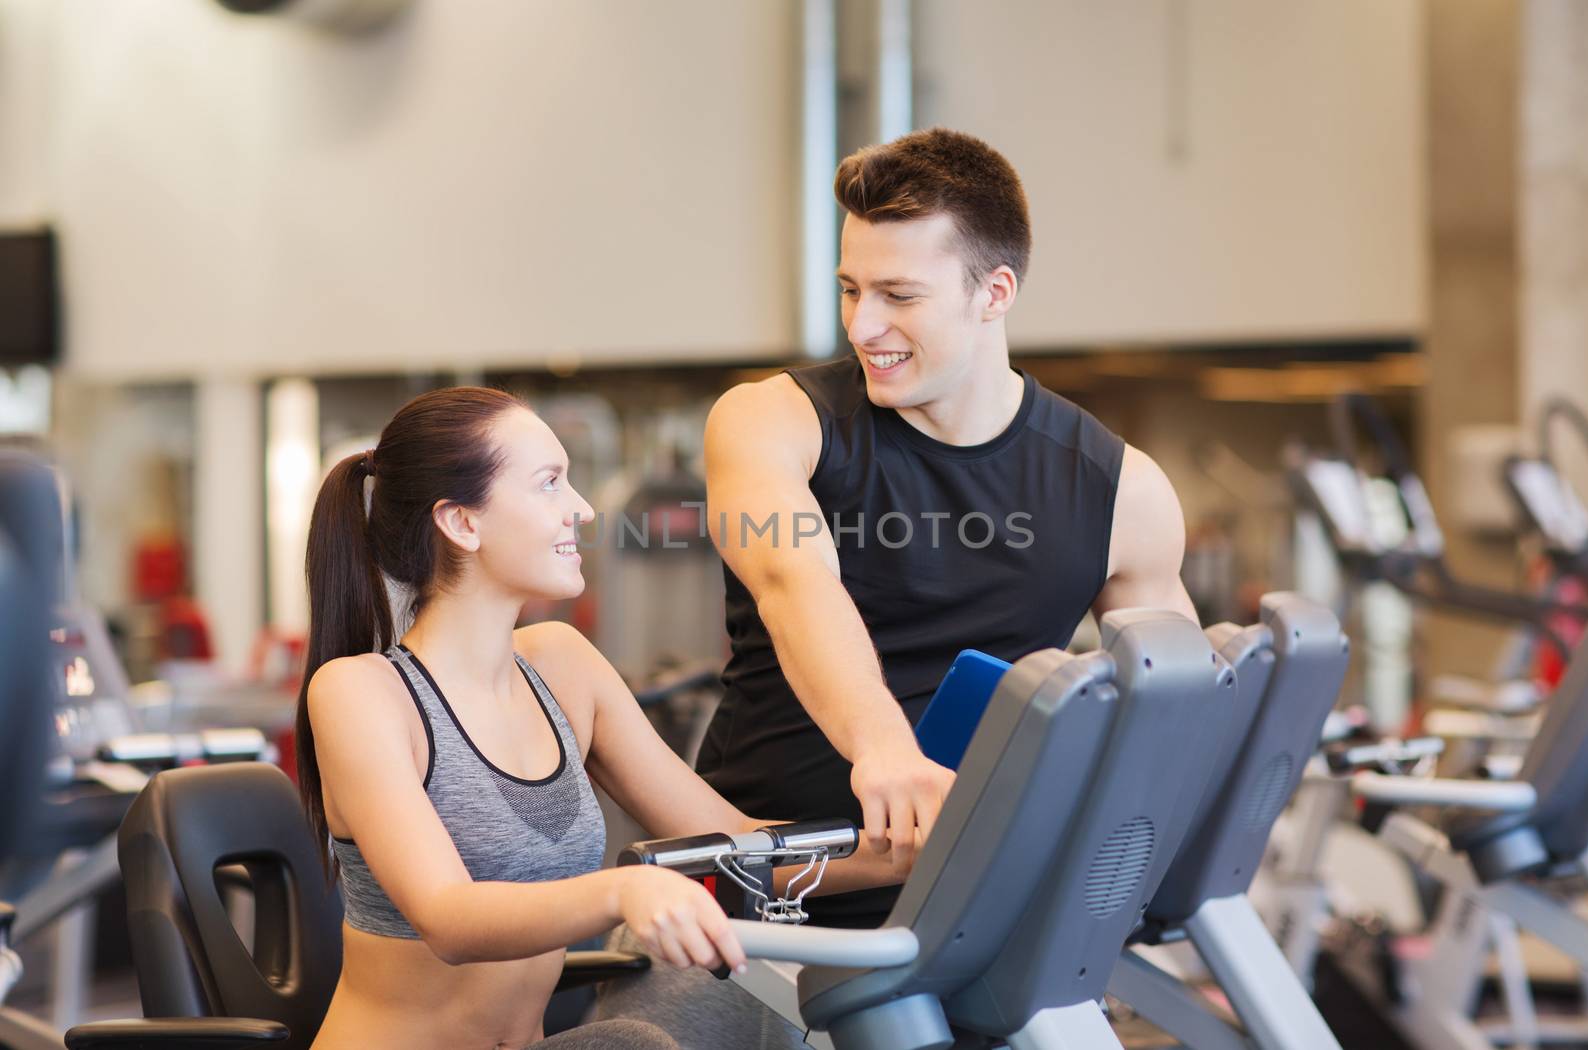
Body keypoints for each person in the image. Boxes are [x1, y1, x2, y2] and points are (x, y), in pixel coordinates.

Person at [296, 387, 905, 1050]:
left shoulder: (562, 666)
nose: (582, 509)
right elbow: (449, 916)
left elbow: (730, 841)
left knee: (724, 995)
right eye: (550, 484)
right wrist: (626, 892)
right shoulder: (363, 694)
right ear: (462, 523)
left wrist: (918, 849)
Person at [697, 126, 1199, 929]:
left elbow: (1171, 715)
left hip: (980, 900)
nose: (863, 327)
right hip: (769, 892)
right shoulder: (771, 422)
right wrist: (883, 748)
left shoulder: (1120, 490)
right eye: (850, 289)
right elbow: (794, 585)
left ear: (994, 292)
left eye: (899, 296)